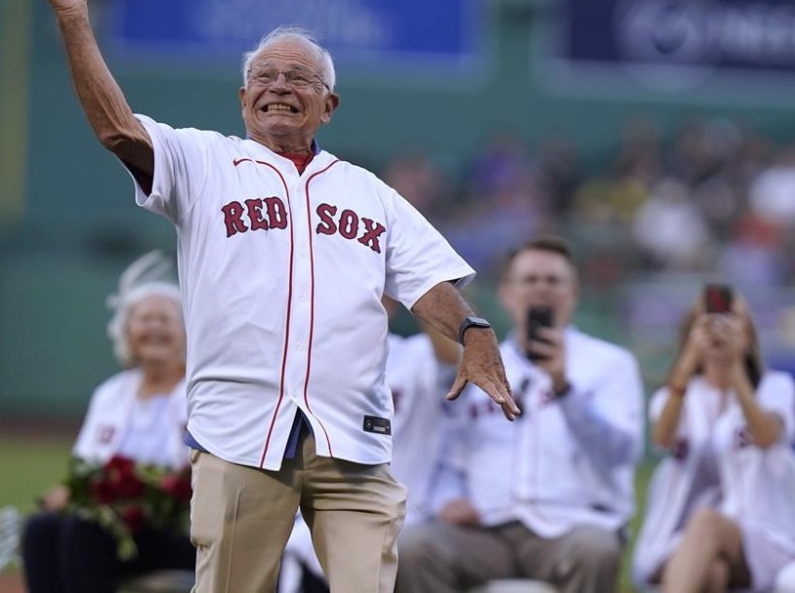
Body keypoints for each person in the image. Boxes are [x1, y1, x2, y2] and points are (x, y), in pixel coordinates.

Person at [32, 0, 518, 593]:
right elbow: (117, 129)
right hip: (240, 433)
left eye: (298, 78)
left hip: (351, 440)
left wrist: (472, 330)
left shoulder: (369, 193)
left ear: (329, 105)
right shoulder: (204, 164)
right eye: (264, 75)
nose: (279, 86)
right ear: (242, 99)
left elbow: (429, 283)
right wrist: (72, 17)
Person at [395, 235, 644, 593]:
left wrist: (565, 389)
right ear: (507, 294)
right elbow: (446, 453)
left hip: (570, 526)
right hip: (483, 531)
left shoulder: (609, 364)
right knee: (413, 546)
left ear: (573, 293)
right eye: (529, 280)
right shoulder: (479, 364)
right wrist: (447, 497)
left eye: (553, 280)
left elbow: (622, 455)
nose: (541, 289)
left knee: (596, 549)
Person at [20, 252, 194, 593]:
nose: (155, 327)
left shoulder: (199, 392)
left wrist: (143, 489)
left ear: (186, 331)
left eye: (165, 319)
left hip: (177, 531)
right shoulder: (111, 394)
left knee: (83, 530)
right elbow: (86, 467)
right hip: (111, 529)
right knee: (41, 528)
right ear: (128, 332)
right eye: (146, 319)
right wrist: (72, 491)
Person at [280, 296, 462, 593]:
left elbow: (452, 356)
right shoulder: (308, 361)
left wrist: (418, 289)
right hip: (314, 514)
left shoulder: (415, 356)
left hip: (404, 513)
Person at [637, 285, 795, 593]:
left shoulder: (775, 388)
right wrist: (687, 362)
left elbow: (767, 435)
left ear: (748, 332)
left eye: (730, 318)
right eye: (706, 319)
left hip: (761, 536)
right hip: (681, 539)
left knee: (707, 522)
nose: (718, 327)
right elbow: (661, 439)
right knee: (713, 574)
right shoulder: (680, 396)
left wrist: (734, 367)